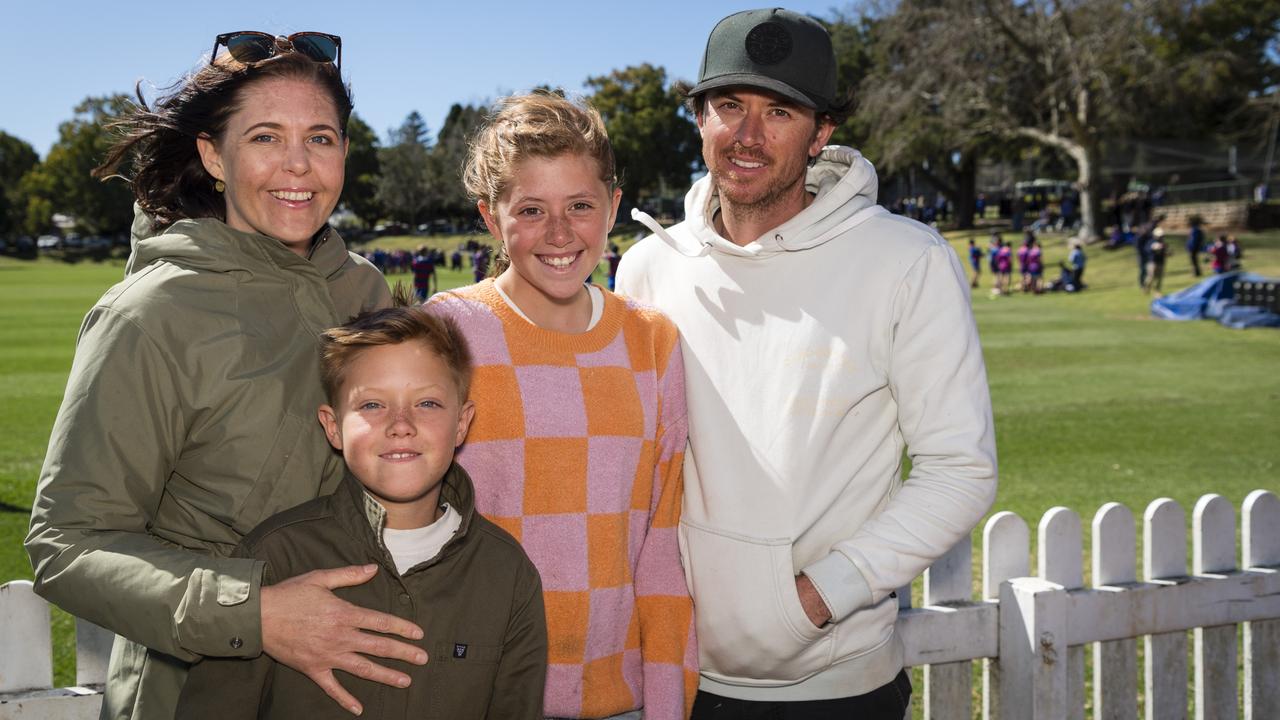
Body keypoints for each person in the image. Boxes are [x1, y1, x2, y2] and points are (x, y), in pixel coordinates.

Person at [22, 34, 427, 719]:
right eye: (266, 137)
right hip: (197, 694)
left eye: (321, 138)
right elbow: (67, 543)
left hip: (358, 688)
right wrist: (256, 612)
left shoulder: (364, 292)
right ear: (214, 154)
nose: (298, 164)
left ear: (345, 153)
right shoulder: (150, 314)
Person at [616, 9, 996, 718]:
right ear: (699, 117)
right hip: (674, 676)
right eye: (728, 106)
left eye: (779, 111)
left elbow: (960, 469)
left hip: (835, 687)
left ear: (822, 132)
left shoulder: (906, 261)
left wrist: (815, 598)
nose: (748, 135)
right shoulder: (647, 269)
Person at [427, 92, 697, 719]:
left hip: (618, 698)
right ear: (491, 220)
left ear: (613, 208)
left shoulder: (652, 342)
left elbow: (662, 549)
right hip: (481, 696)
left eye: (580, 206)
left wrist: (666, 700)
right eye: (530, 210)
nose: (558, 233)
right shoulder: (447, 334)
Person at [178, 301, 548, 718]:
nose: (401, 423)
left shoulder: (507, 572)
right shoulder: (275, 556)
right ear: (332, 426)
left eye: (426, 403)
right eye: (372, 405)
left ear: (461, 423)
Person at [1144, 227, 1168, 294]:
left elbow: (1165, 252)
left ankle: (1157, 291)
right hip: (1153, 263)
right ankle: (1146, 287)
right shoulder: (1151, 242)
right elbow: (1147, 250)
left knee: (1159, 278)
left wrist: (1167, 252)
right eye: (1160, 236)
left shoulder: (1163, 243)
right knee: (1151, 277)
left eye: (1162, 236)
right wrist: (1153, 248)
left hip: (1161, 262)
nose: (1161, 237)